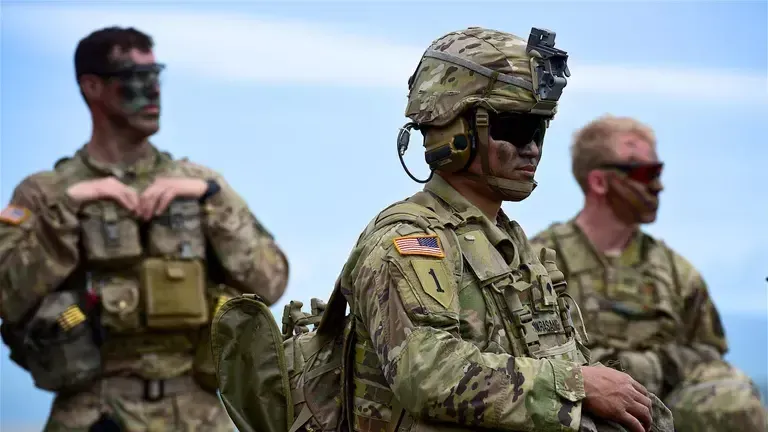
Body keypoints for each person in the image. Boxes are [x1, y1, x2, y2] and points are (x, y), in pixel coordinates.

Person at [335, 27, 673, 432]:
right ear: (454, 131)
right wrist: (576, 385)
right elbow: (426, 374)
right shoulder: (407, 241)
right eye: (513, 129)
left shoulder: (507, 243)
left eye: (539, 129)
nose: (532, 148)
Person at [0, 26, 289, 431]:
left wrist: (212, 200)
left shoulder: (201, 185)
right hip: (93, 412)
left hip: (199, 412)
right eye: (134, 77)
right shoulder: (46, 193)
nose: (152, 91)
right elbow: (6, 296)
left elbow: (270, 282)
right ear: (92, 86)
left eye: (156, 76)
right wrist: (66, 210)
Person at [530, 114, 767, 431]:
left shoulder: (676, 273)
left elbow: (709, 357)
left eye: (658, 171)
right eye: (644, 172)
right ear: (599, 182)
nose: (657, 185)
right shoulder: (538, 263)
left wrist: (651, 369)